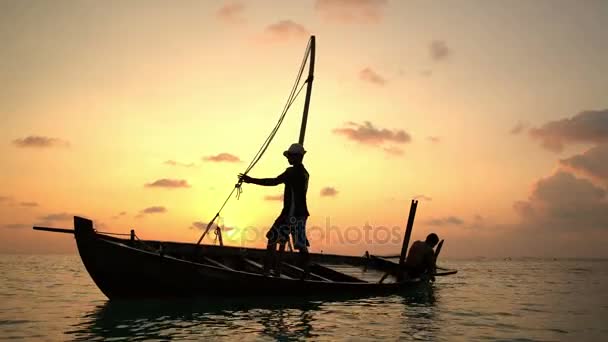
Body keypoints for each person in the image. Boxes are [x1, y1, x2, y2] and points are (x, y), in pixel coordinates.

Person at [239, 143, 310, 277]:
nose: (288, 158)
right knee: (299, 244)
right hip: (301, 214)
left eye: (289, 156)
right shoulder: (305, 173)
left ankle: (266, 270)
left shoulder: (291, 172)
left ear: (296, 157)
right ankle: (305, 272)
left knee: (272, 237)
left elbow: (273, 181)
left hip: (290, 213)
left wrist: (251, 180)